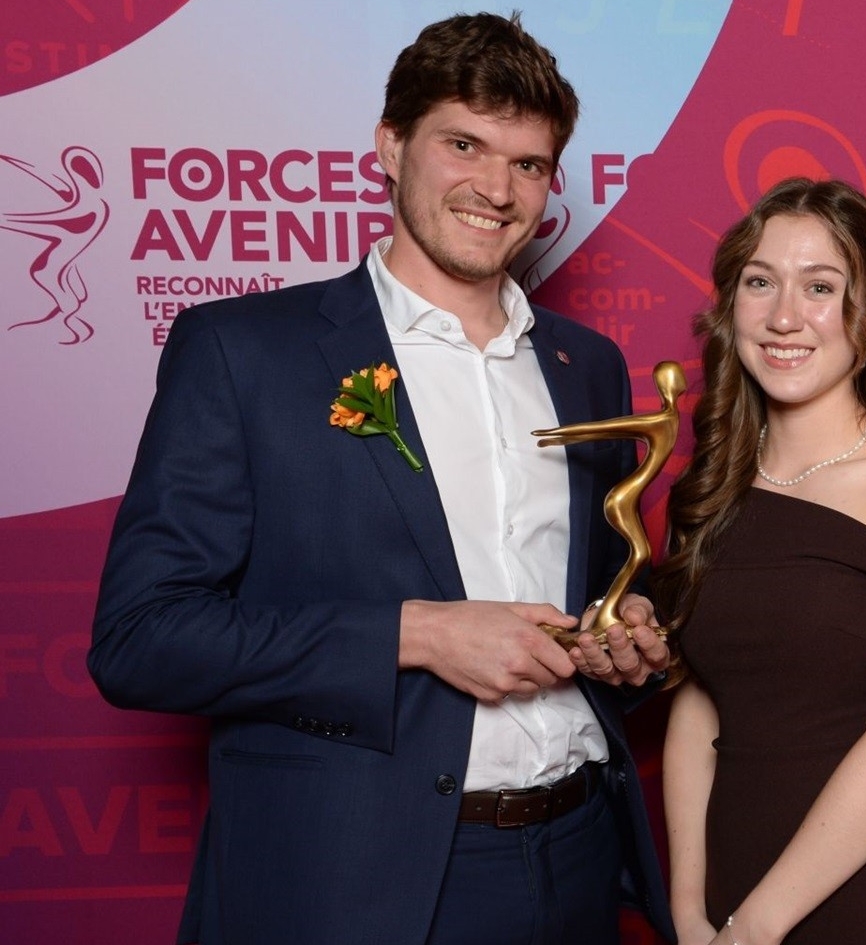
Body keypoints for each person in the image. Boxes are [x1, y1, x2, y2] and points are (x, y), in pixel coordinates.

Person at [88, 14, 675, 945]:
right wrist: (415, 634)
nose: (496, 187)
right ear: (391, 148)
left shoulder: (586, 365)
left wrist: (628, 638)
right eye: (464, 144)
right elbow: (141, 640)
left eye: (528, 163)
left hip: (577, 862)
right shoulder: (247, 354)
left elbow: (602, 595)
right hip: (356, 881)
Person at [655, 177, 866, 945]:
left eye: (819, 287)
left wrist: (757, 928)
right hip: (727, 894)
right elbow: (698, 702)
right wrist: (687, 910)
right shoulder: (708, 485)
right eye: (759, 282)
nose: (783, 317)